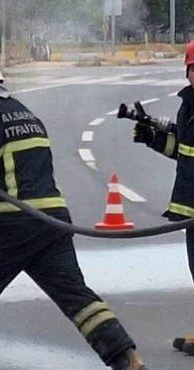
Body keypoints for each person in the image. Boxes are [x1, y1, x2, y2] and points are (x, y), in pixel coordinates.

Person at [0, 52, 147, 370]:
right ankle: (128, 360)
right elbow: (7, 166)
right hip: (51, 222)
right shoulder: (25, 113)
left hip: (11, 224)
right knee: (77, 298)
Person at [133, 39, 194, 355]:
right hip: (190, 207)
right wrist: (152, 138)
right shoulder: (189, 105)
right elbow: (184, 152)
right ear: (187, 71)